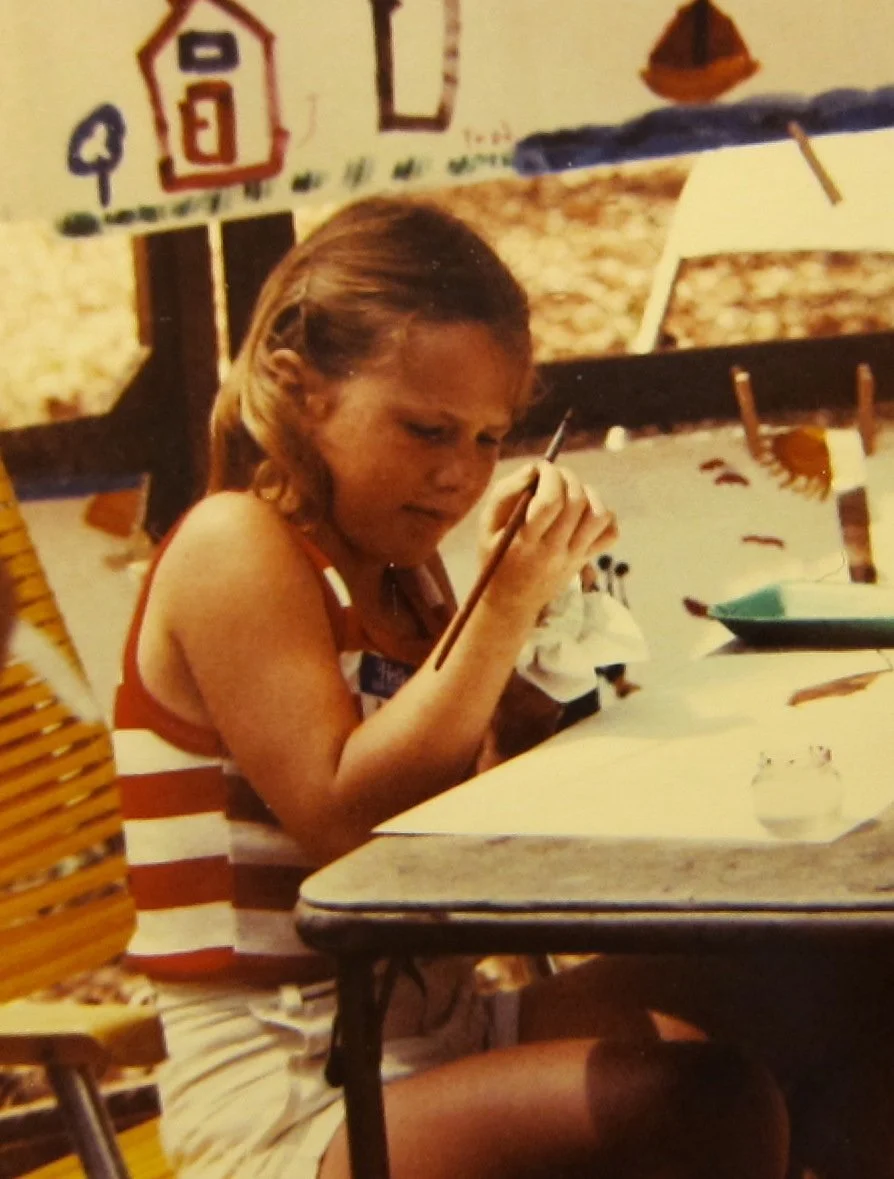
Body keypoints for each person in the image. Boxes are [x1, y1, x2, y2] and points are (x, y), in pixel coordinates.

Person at [114, 196, 788, 1179]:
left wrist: (540, 669)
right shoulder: (237, 548)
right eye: (427, 430)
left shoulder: (400, 565)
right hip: (289, 1089)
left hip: (433, 1025)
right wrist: (501, 606)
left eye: (486, 438)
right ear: (301, 392)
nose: (458, 476)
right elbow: (348, 830)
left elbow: (459, 809)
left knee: (817, 985)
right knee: (694, 1107)